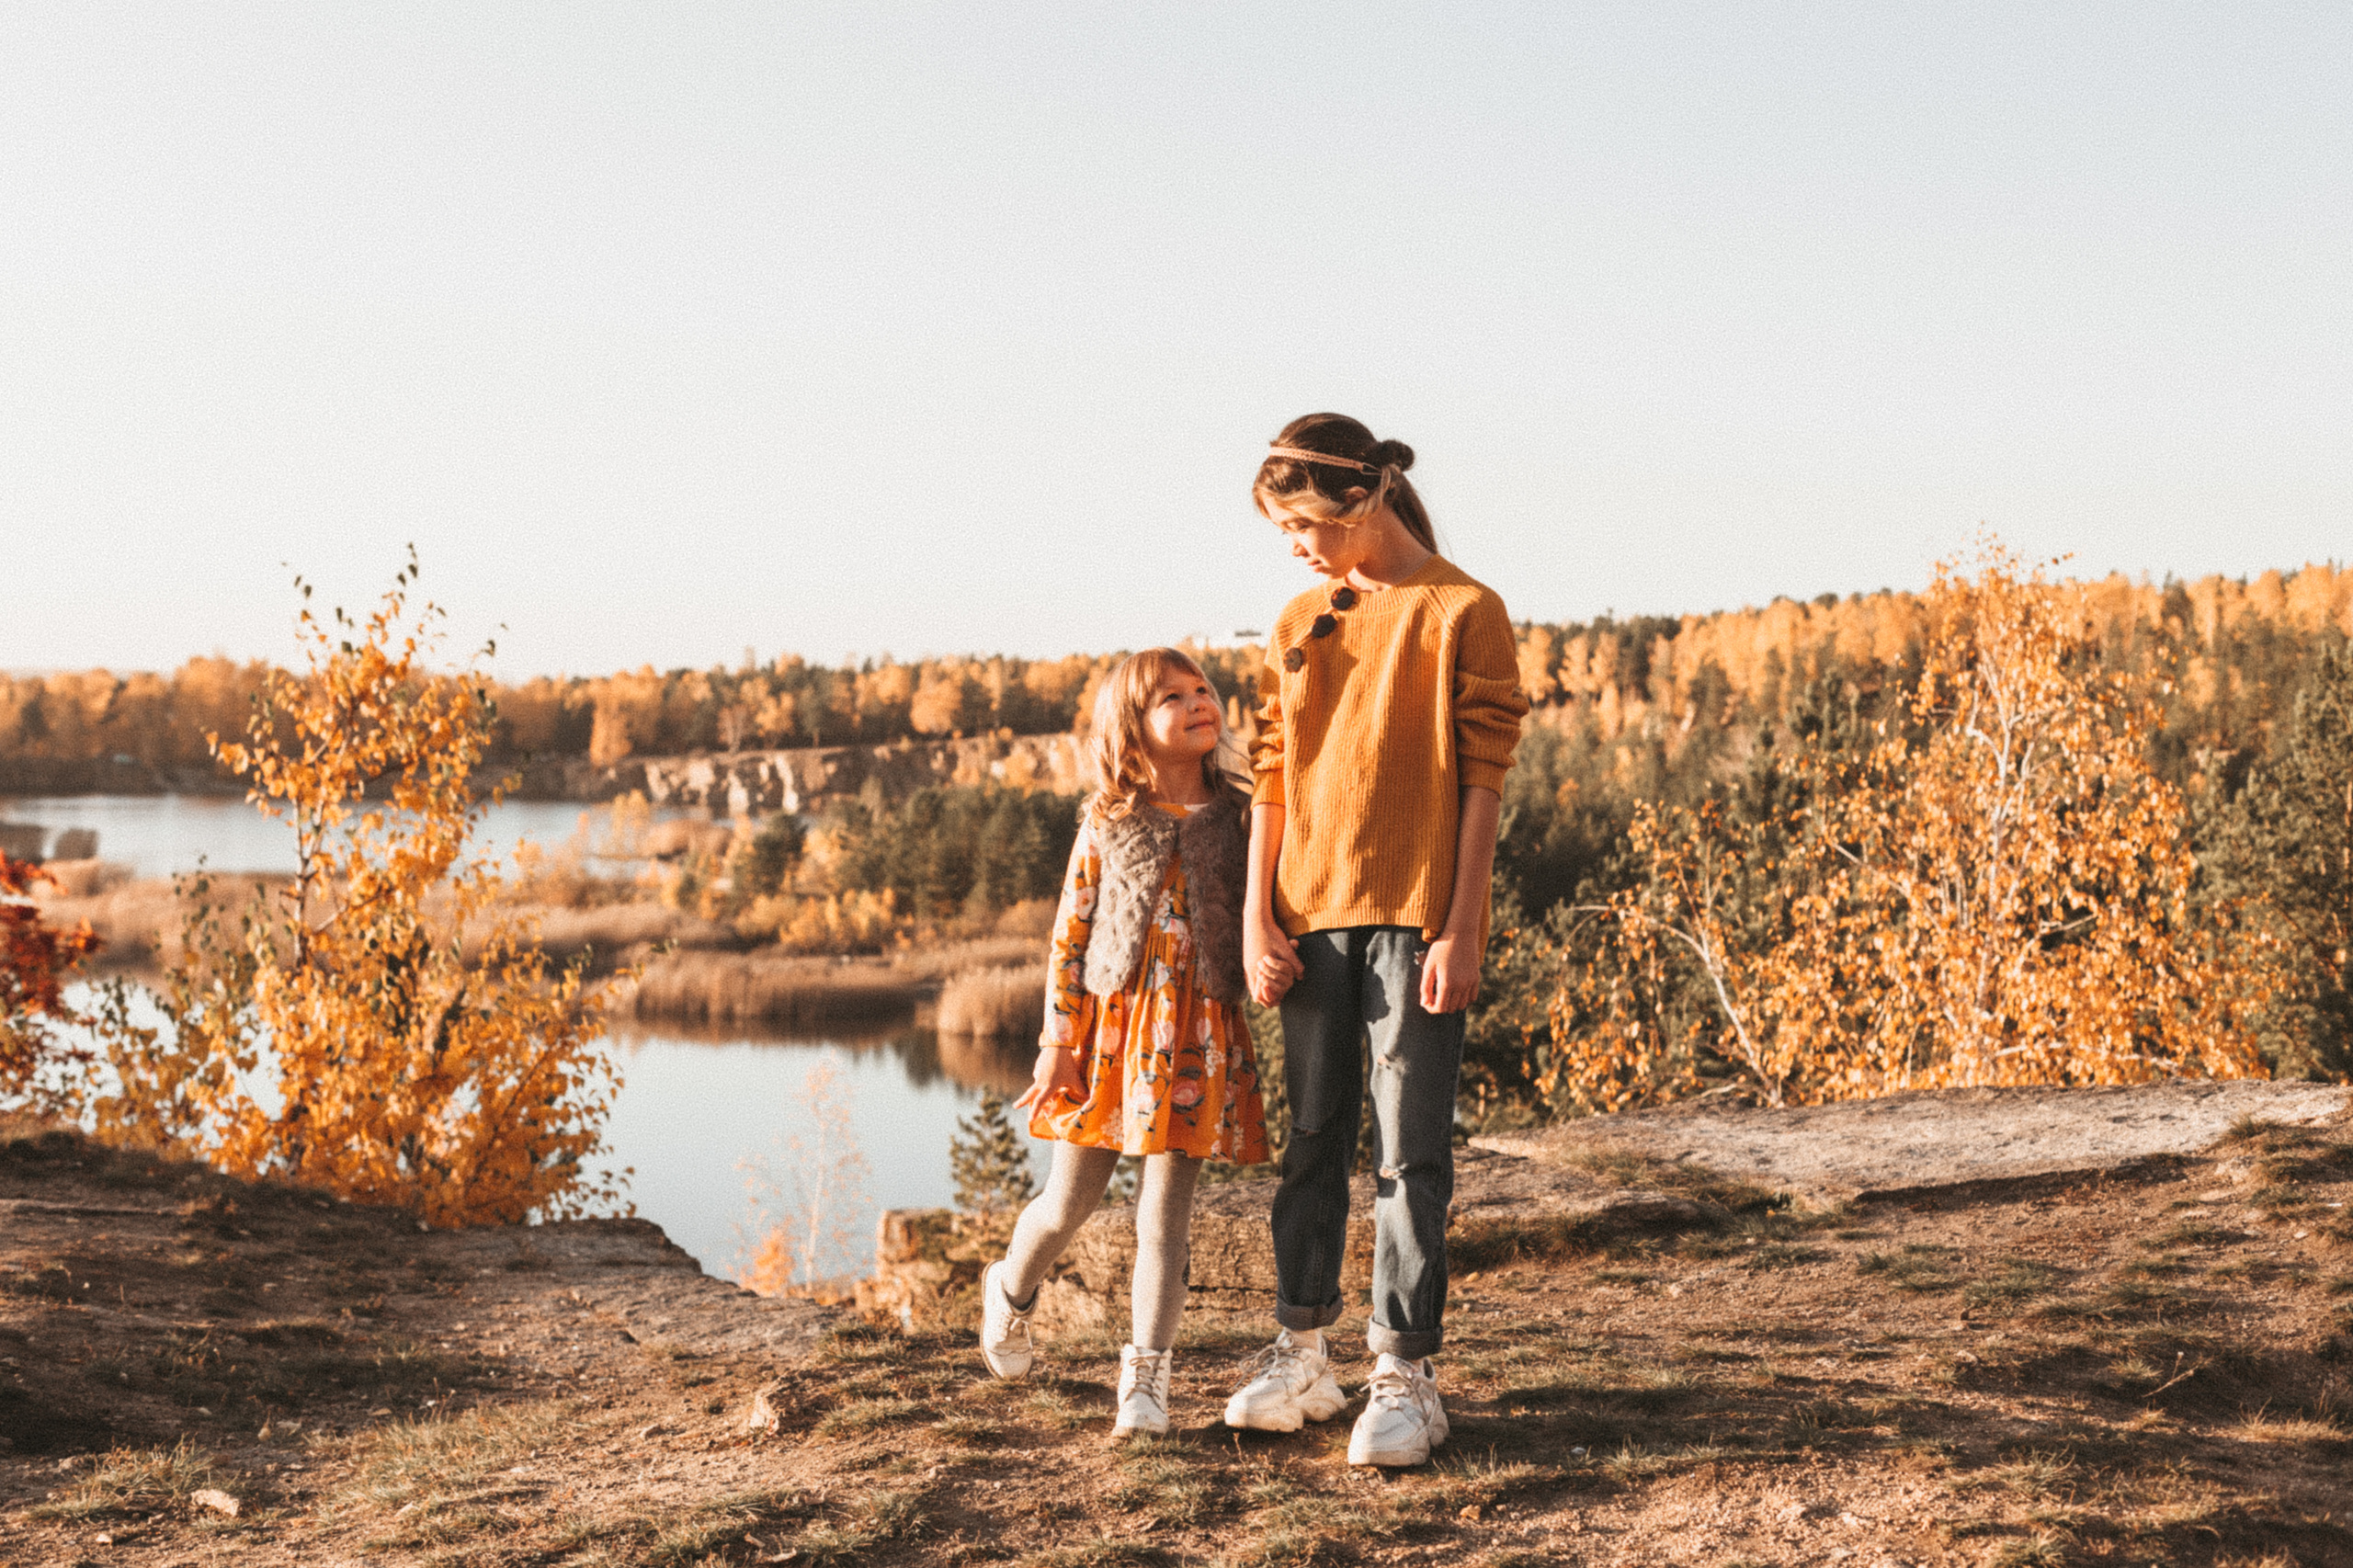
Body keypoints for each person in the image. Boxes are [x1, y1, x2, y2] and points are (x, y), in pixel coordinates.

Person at [1222, 414, 1529, 1467]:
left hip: (1415, 916)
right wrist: (1256, 914)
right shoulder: (1301, 616)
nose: (1298, 546)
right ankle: (1301, 1348)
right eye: (1284, 530)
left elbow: (1483, 781)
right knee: (1310, 1140)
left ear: (1368, 499)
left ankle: (1404, 1368)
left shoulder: (1463, 611)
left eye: (1307, 523)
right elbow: (1272, 771)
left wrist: (1463, 922)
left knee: (1410, 1153)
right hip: (1309, 918)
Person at [977, 647, 1270, 1439]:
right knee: (1066, 1204)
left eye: (1203, 689)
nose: (1199, 703)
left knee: (1164, 1222)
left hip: (1198, 1038)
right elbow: (1068, 938)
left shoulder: (1241, 815)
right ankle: (1008, 1289)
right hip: (1110, 1040)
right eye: (1172, 698)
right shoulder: (1109, 818)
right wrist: (1055, 1042)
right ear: (1133, 729)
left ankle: (1145, 1379)